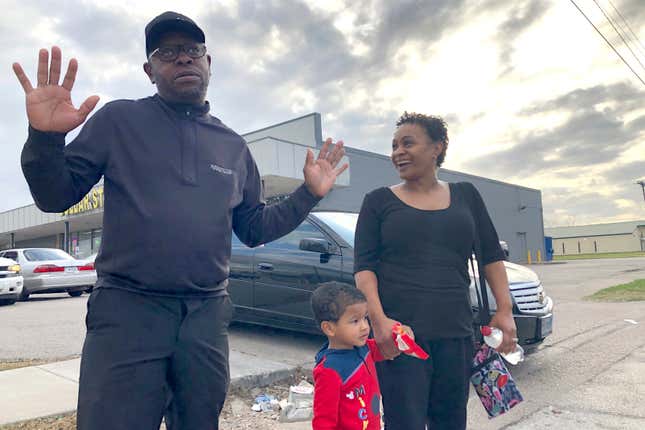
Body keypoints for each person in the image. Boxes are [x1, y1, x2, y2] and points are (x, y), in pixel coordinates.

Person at [13, 11, 347, 430]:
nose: (184, 59)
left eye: (193, 51)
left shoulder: (232, 147)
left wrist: (308, 195)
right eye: (168, 53)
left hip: (205, 319)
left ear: (209, 64)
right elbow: (54, 195)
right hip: (127, 313)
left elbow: (254, 227)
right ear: (149, 71)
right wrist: (45, 138)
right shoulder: (119, 120)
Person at [353, 112, 517, 430]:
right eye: (394, 145)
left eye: (408, 143)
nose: (398, 152)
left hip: (456, 332)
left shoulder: (466, 195)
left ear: (436, 148)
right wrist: (379, 322)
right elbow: (364, 270)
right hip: (401, 336)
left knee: (452, 421)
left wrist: (505, 309)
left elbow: (491, 257)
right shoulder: (378, 201)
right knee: (405, 423)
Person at [310, 282, 385, 430]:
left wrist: (399, 338)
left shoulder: (365, 347)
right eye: (355, 321)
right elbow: (323, 421)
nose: (364, 326)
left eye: (365, 318)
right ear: (329, 328)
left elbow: (384, 349)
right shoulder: (329, 370)